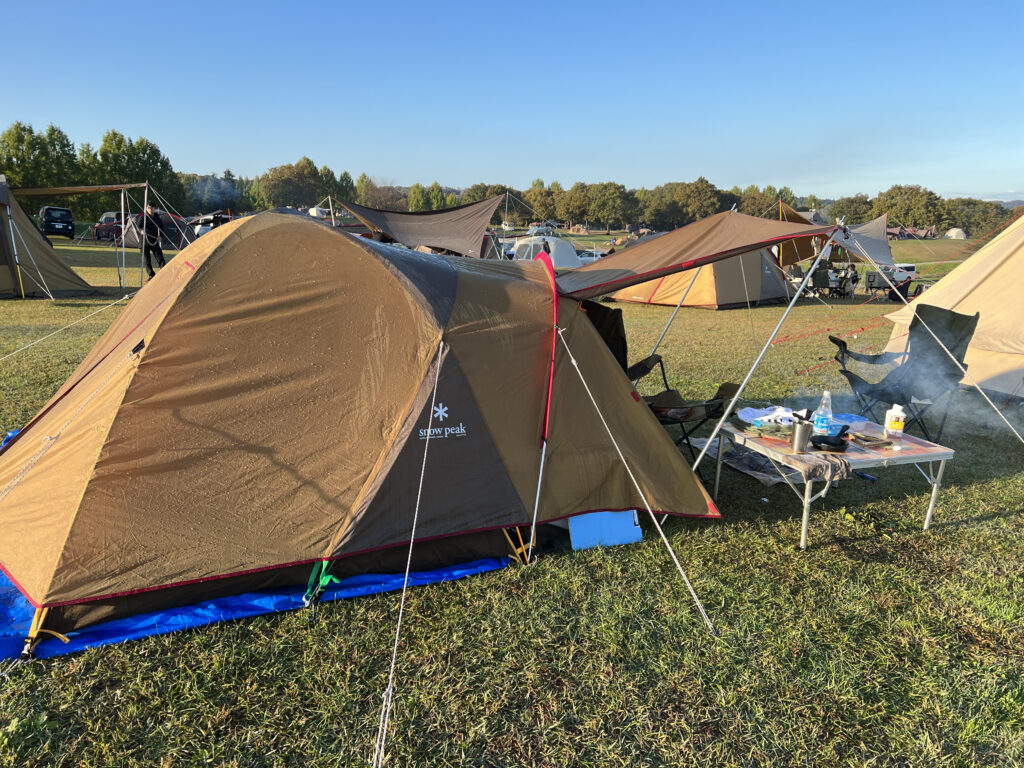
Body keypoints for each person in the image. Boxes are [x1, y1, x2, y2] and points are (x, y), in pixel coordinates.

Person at [137, 202, 165, 279]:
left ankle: (165, 272)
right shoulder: (143, 217)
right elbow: (138, 226)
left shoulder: (157, 218)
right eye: (149, 208)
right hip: (144, 241)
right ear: (146, 208)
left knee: (160, 257)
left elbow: (162, 228)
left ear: (155, 208)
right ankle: (151, 275)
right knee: (146, 260)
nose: (150, 209)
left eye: (152, 208)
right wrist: (141, 230)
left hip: (154, 240)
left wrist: (160, 236)